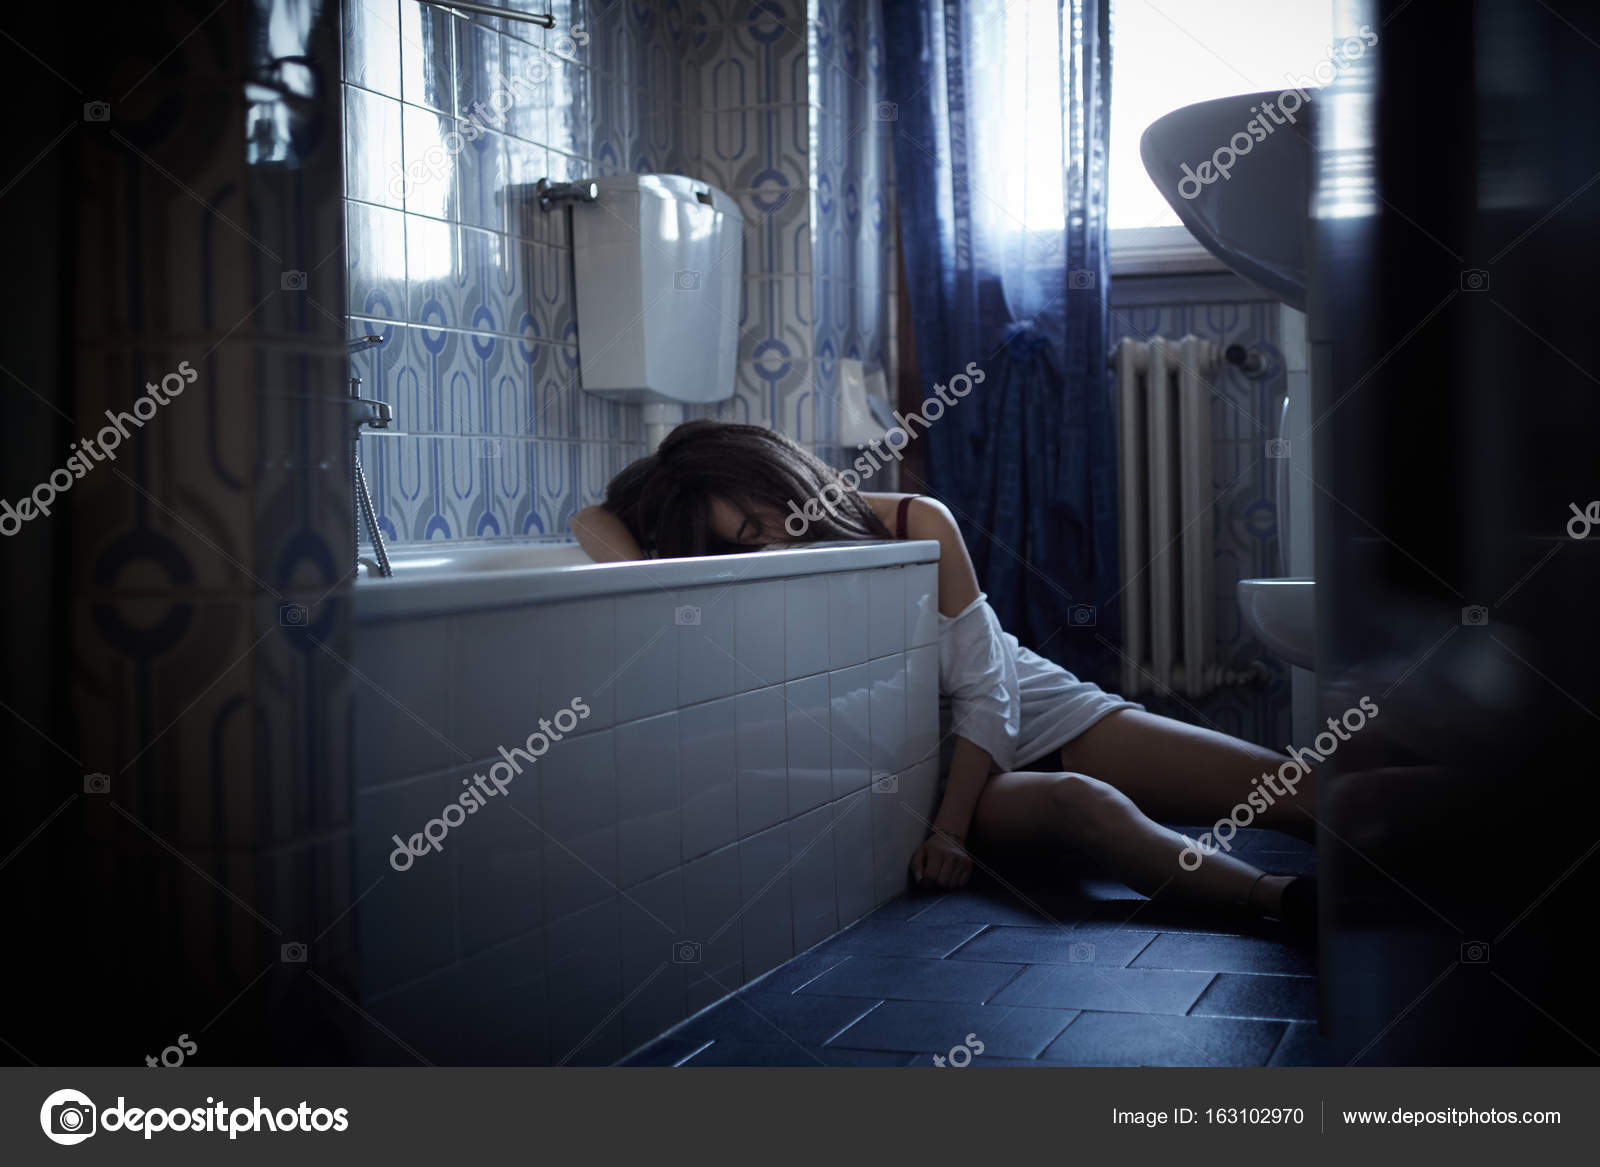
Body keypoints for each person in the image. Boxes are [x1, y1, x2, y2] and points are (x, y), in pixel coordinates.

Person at [570, 420, 1314, 928]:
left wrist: (949, 838)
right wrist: (951, 821)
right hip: (950, 769)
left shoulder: (914, 521)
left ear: (782, 475)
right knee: (1085, 804)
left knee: (1292, 788)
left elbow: (986, 684)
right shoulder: (746, 579)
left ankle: (1416, 849)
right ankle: (1284, 901)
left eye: (763, 519)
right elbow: (589, 518)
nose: (770, 545)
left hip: (1038, 705)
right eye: (743, 543)